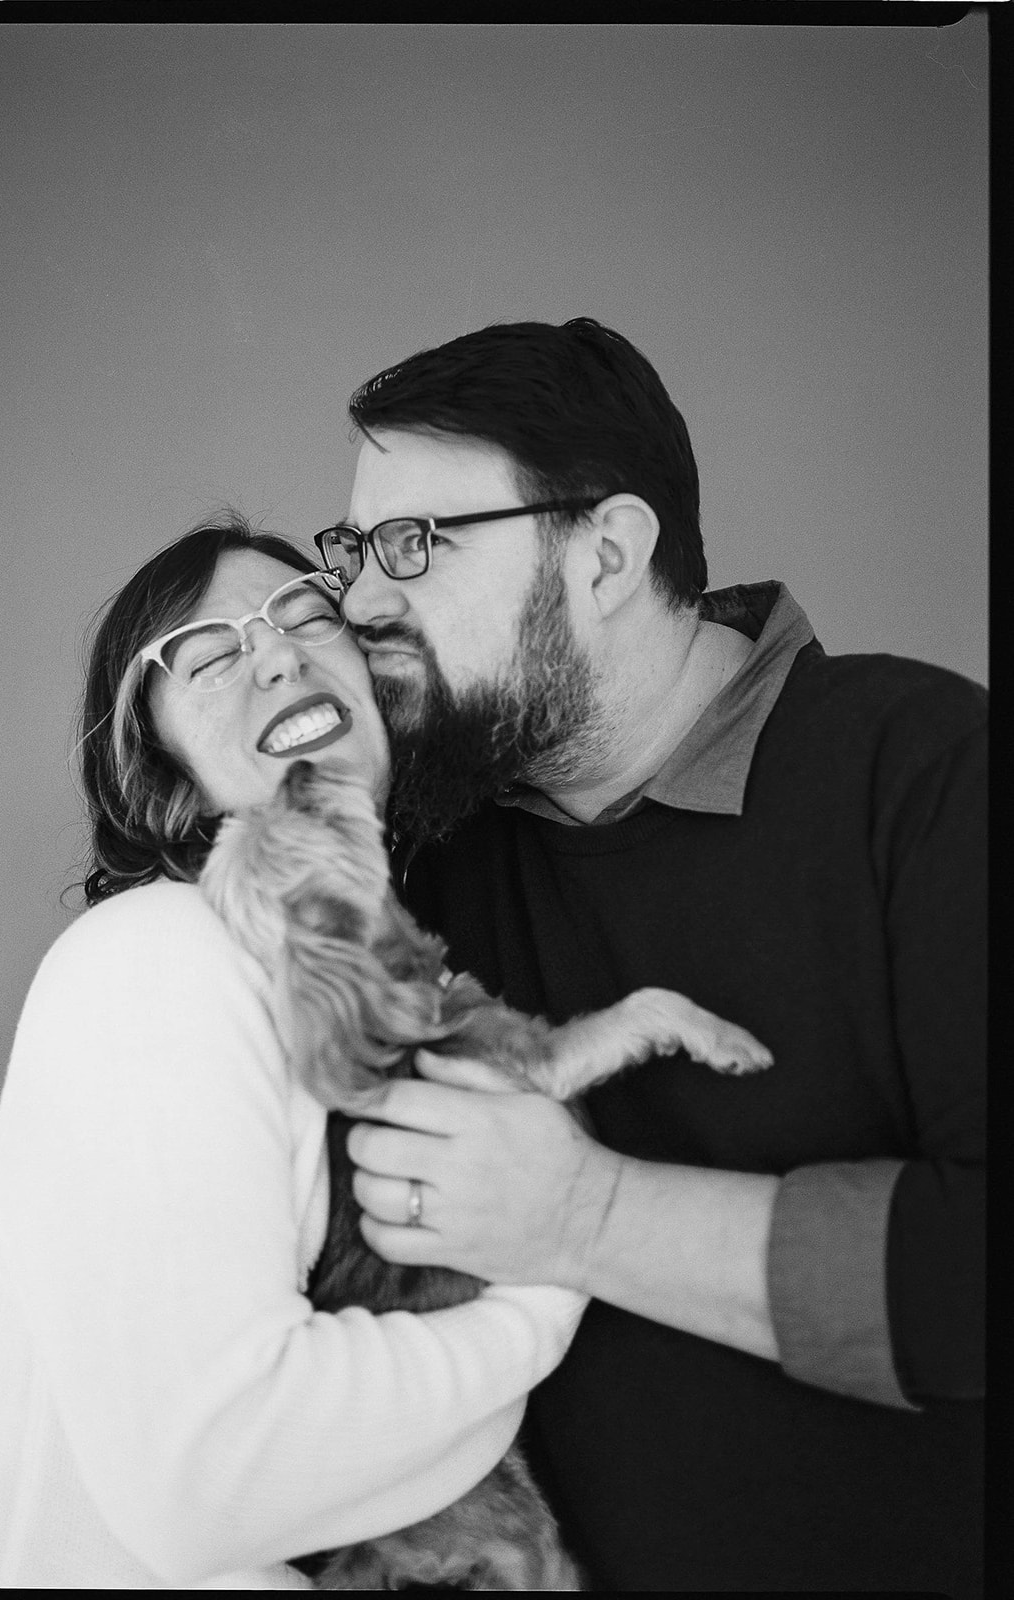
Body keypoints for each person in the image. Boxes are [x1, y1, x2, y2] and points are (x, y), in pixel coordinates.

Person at [316, 318, 987, 1597]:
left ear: (607, 550)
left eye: (414, 544)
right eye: (351, 547)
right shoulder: (420, 849)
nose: (360, 600)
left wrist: (585, 1214)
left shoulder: (927, 771)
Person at [0, 516, 586, 1589]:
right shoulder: (156, 956)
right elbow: (211, 1479)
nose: (275, 651)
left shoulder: (345, 989)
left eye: (308, 613)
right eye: (208, 656)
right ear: (159, 773)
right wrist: (552, 1285)